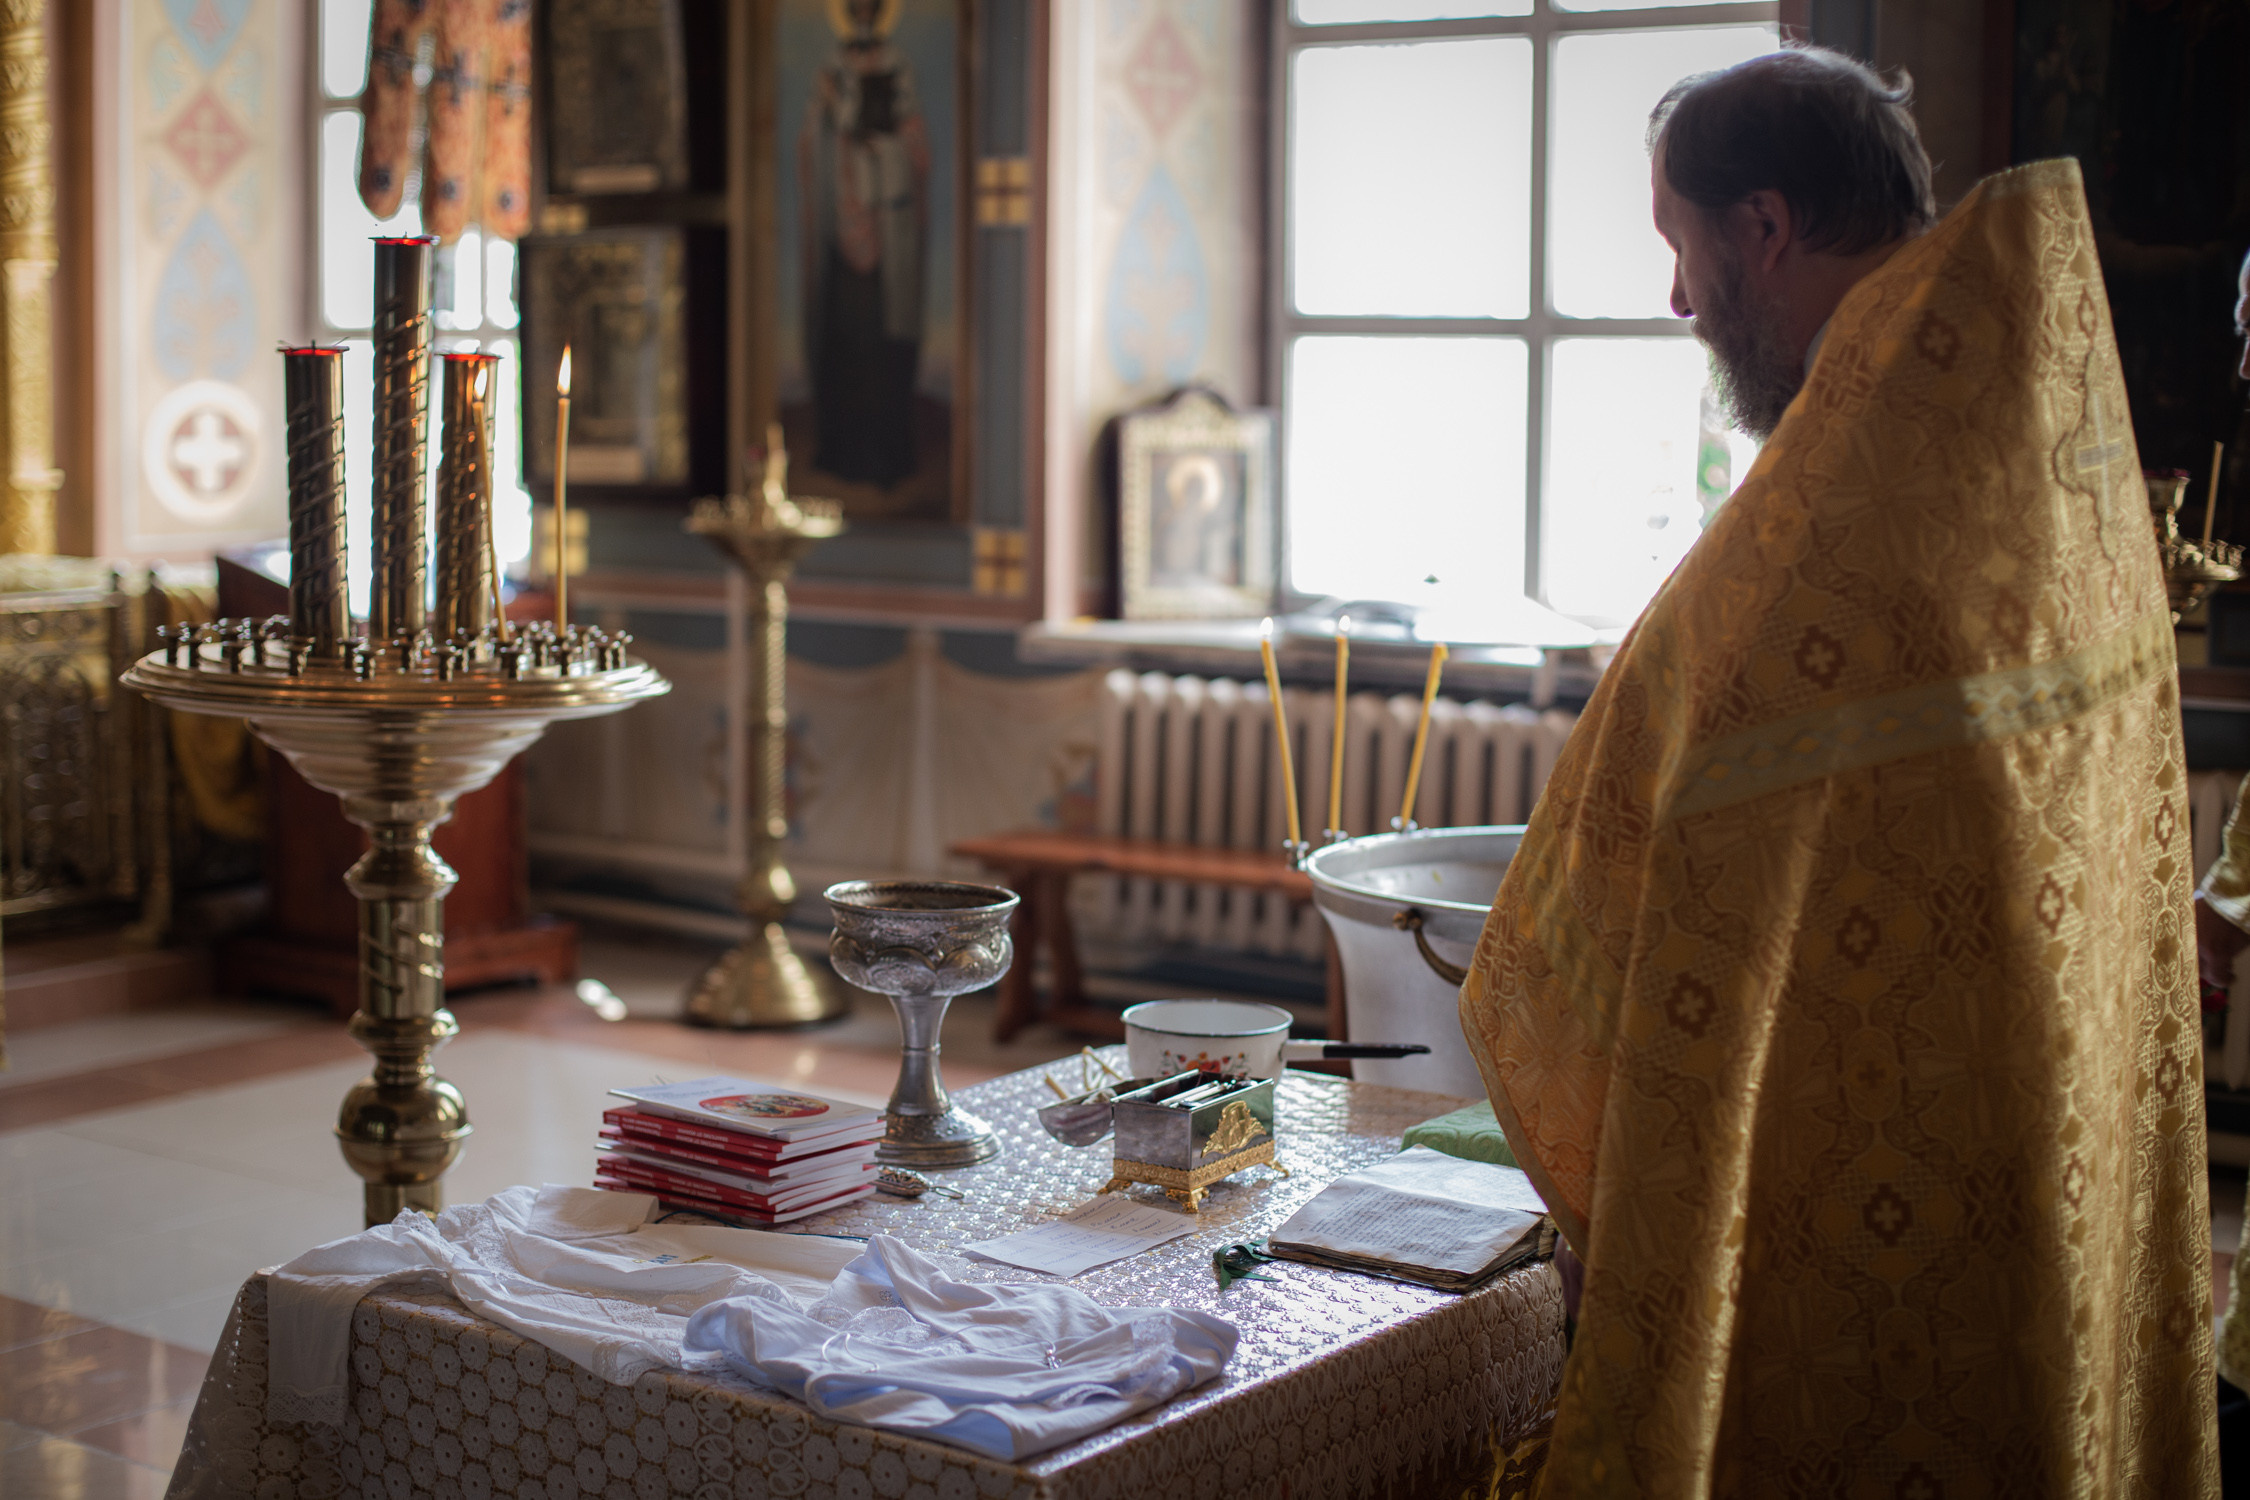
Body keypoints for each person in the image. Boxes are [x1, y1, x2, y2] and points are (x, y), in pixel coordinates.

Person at [1458, 48, 2218, 1494]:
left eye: (1681, 247)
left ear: (1763, 227)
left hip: (1855, 1156)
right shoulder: (2025, 428)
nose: (1678, 300)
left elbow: (1673, 763)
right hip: (2045, 1119)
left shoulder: (1849, 505)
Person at [798, 0, 929, 487]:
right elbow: (814, 140)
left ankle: (886, 455)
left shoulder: (897, 67)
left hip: (886, 225)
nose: (862, 13)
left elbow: (914, 144)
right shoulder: (832, 67)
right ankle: (841, 450)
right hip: (840, 225)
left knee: (883, 342)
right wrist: (835, 131)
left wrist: (880, 151)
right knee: (845, 341)